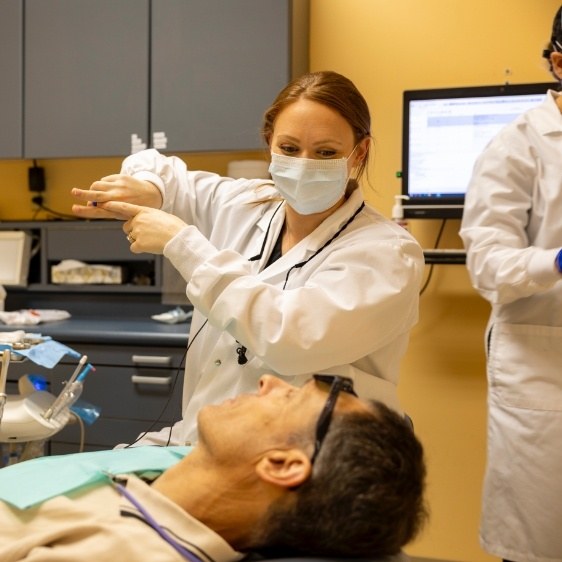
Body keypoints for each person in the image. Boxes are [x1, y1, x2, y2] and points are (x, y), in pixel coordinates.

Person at [71, 71, 424, 446]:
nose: (304, 164)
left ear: (360, 152)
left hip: (314, 462)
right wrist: (150, 187)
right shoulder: (248, 204)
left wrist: (181, 243)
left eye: (325, 152)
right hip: (209, 442)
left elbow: (290, 338)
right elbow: (163, 172)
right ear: (270, 143)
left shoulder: (387, 254)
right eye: (289, 149)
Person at [0, 374, 427, 561]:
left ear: (280, 465)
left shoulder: (123, 551)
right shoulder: (156, 484)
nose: (267, 382)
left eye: (289, 397)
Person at [459, 8, 562, 562]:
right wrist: (558, 261)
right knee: (540, 541)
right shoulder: (518, 145)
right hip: (543, 371)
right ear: (558, 62)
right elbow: (489, 265)